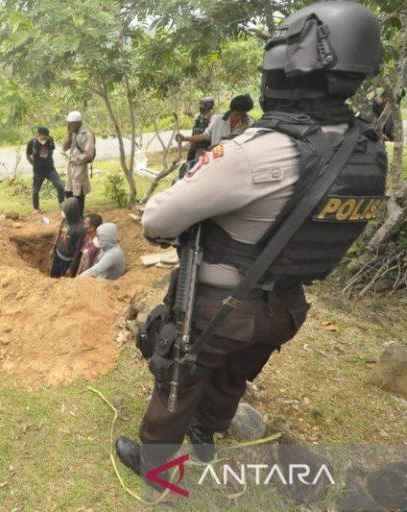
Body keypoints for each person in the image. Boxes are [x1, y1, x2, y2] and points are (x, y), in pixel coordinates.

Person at [116, 1, 387, 485]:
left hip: (222, 308)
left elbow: (158, 219)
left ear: (282, 70)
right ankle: (205, 437)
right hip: (288, 307)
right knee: (234, 374)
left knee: (181, 375)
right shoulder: (365, 150)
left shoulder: (256, 151)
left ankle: (156, 464)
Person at [176, 94, 255, 150]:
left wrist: (245, 129)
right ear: (231, 110)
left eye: (243, 114)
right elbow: (205, 136)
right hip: (216, 160)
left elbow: (250, 145)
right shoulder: (218, 119)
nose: (239, 117)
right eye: (237, 114)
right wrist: (185, 138)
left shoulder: (251, 123)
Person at [62, 111, 95, 217]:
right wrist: (69, 134)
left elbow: (88, 154)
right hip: (71, 168)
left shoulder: (87, 134)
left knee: (78, 194)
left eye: (71, 123)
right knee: (69, 192)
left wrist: (75, 159)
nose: (69, 126)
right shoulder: (73, 133)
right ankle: (69, 218)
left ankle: (79, 218)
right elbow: (64, 147)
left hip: (80, 168)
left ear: (78, 122)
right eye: (68, 124)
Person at [27, 126, 65, 212]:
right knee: (36, 190)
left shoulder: (50, 140)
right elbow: (28, 155)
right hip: (38, 171)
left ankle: (62, 206)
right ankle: (36, 208)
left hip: (50, 170)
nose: (47, 137)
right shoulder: (32, 142)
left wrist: (48, 160)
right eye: (45, 136)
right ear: (39, 135)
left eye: (48, 136)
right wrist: (34, 164)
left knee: (60, 187)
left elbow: (51, 150)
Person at [50, 197, 85, 278]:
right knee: (53, 276)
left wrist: (71, 268)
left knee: (62, 282)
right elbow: (60, 234)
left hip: (67, 261)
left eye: (64, 210)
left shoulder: (80, 228)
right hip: (58, 255)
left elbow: (78, 251)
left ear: (71, 212)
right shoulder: (66, 220)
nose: (62, 213)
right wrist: (54, 248)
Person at [185, 97, 215, 164]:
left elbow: (210, 135)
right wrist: (190, 141)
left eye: (202, 105)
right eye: (200, 105)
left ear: (208, 106)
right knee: (188, 163)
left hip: (204, 147)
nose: (201, 107)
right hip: (194, 145)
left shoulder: (213, 118)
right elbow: (194, 129)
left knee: (199, 164)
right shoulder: (198, 117)